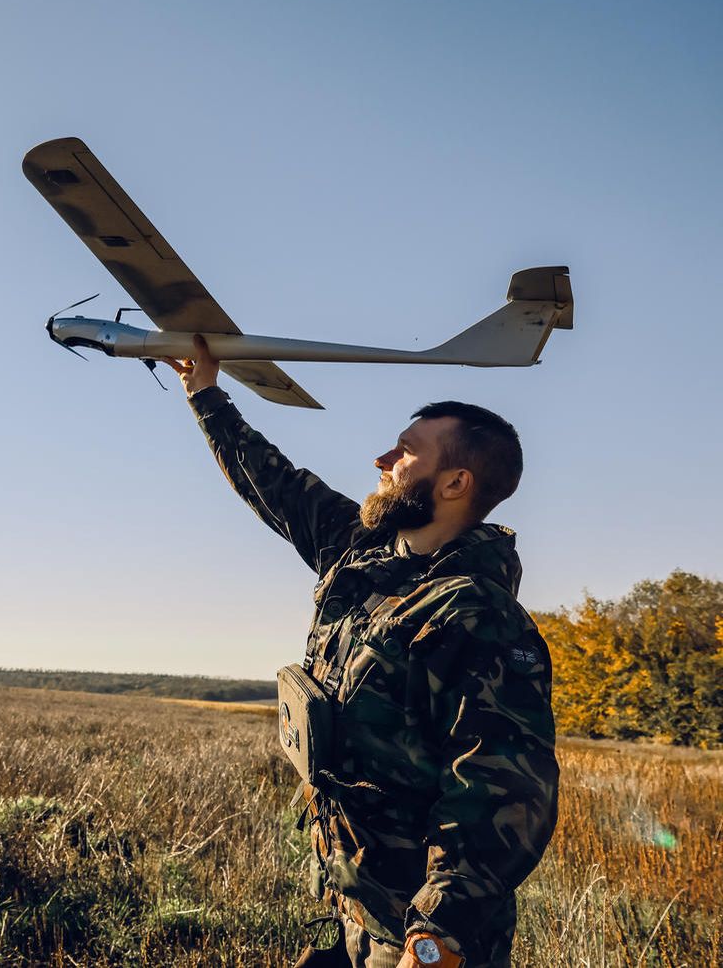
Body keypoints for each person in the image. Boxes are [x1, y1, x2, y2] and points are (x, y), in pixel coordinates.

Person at [168, 336, 559, 968]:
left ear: (456, 482)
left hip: (420, 938)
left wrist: (435, 940)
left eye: (406, 451)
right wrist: (206, 395)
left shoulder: (478, 615)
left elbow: (497, 793)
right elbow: (275, 482)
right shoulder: (361, 555)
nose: (382, 457)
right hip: (357, 907)